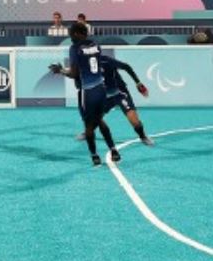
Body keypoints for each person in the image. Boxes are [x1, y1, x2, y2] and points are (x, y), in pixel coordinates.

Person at [49, 21, 122, 166]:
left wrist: (61, 71)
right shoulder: (96, 45)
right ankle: (114, 150)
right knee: (99, 120)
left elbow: (74, 74)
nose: (70, 38)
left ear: (77, 33)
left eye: (71, 35)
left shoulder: (75, 48)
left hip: (87, 91)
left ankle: (95, 156)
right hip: (101, 89)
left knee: (89, 125)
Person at [101, 51, 154, 147]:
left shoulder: (106, 60)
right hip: (105, 96)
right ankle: (88, 132)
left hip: (119, 93)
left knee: (133, 119)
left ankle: (143, 137)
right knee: (94, 118)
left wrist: (138, 83)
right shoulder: (85, 64)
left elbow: (126, 67)